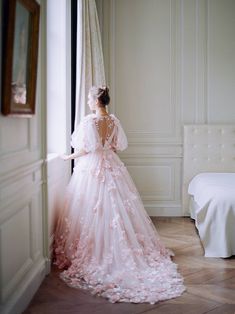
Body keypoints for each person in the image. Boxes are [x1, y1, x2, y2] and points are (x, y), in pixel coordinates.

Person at [52, 85, 186, 304]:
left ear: (96, 101)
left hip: (92, 166)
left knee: (95, 207)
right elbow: (117, 146)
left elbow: (86, 149)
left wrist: (68, 158)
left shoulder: (88, 122)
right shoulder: (114, 121)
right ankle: (122, 246)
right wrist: (104, 149)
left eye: (89, 98)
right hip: (111, 165)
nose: (87, 102)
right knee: (116, 208)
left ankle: (97, 249)